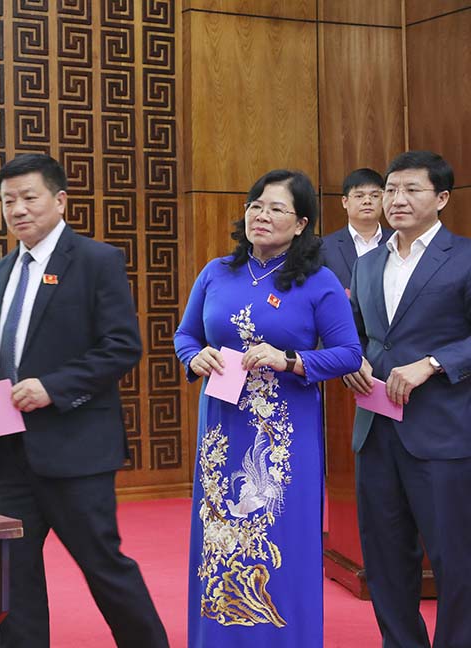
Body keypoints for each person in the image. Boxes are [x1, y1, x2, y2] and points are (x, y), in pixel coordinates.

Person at [0, 154, 167, 647]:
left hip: (75, 449)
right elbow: (0, 346)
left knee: (103, 566)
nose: (17, 209)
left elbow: (122, 346)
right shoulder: (2, 270)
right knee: (15, 574)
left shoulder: (96, 261)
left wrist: (52, 388)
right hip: (11, 448)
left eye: (28, 197)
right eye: (8, 201)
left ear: (59, 200)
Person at [174, 169, 361, 647]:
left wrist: (291, 360)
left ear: (300, 224)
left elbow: (348, 353)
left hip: (283, 436)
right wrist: (194, 357)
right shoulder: (216, 271)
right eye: (256, 205)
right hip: (222, 427)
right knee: (219, 534)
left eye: (277, 208)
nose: (262, 214)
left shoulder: (318, 282)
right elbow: (185, 335)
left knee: (281, 535)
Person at [343, 150, 471, 648]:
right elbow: (356, 334)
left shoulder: (464, 257)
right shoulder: (367, 264)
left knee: (455, 560)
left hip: (442, 432)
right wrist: (351, 359)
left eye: (411, 190)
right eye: (391, 189)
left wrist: (433, 363)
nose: (396, 199)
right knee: (385, 560)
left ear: (442, 198)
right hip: (376, 432)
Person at [322, 167, 393, 289]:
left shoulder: (398, 241)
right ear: (345, 202)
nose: (367, 201)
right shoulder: (325, 247)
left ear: (383, 200)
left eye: (374, 196)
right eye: (359, 196)